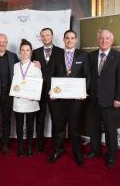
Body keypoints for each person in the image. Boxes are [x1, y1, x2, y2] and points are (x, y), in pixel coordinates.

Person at [85, 30, 120, 168]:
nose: (104, 40)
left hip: (110, 101)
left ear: (112, 40)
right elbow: (88, 78)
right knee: (94, 128)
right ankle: (95, 151)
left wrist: (119, 98)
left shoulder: (119, 57)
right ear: (98, 39)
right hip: (92, 100)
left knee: (110, 130)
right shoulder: (91, 56)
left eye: (107, 38)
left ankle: (111, 155)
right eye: (102, 38)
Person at [48, 30, 90, 166]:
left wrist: (83, 92)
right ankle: (57, 150)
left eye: (72, 38)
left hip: (76, 100)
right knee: (58, 128)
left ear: (76, 39)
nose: (69, 40)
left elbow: (88, 76)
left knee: (75, 129)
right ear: (63, 39)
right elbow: (50, 74)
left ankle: (77, 153)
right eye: (67, 38)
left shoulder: (83, 55)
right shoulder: (56, 55)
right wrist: (52, 91)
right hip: (58, 100)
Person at [31, 28, 63, 153]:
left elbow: (62, 71)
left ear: (52, 36)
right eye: (43, 36)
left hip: (55, 91)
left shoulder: (61, 52)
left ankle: (56, 145)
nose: (45, 37)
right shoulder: (35, 52)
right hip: (39, 91)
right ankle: (40, 144)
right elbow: (32, 72)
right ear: (41, 38)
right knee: (40, 119)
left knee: (56, 120)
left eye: (47, 35)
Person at [13, 39, 42, 157]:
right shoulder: (15, 66)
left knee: (30, 126)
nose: (25, 52)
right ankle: (20, 147)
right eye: (23, 50)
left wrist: (34, 95)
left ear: (31, 52)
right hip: (18, 100)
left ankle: (29, 147)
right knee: (19, 126)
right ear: (20, 52)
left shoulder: (36, 66)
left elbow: (40, 82)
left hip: (31, 101)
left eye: (27, 50)